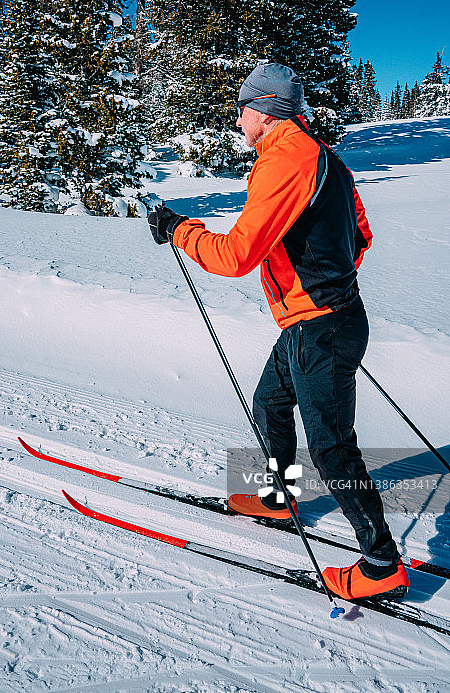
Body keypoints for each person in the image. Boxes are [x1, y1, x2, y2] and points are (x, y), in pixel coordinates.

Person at [147, 62, 408, 601]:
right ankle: (279, 497)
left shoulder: (285, 160)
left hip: (321, 326)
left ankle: (382, 564)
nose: (237, 120)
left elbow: (235, 256)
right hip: (316, 321)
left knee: (332, 447)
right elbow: (361, 234)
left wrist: (180, 230)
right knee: (269, 402)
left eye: (241, 109)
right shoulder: (323, 157)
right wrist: (325, 286)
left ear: (263, 111)